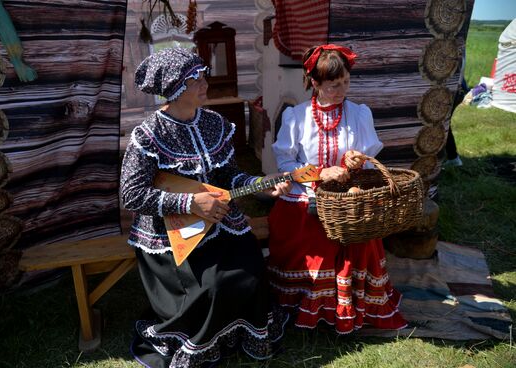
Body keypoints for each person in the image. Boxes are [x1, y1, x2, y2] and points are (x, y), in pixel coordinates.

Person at [120, 47, 291, 368]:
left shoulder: (213, 123)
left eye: (202, 76)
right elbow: (131, 195)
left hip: (218, 220)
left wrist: (260, 182)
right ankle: (198, 338)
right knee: (214, 284)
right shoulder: (148, 135)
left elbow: (227, 175)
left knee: (251, 269)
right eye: (194, 79)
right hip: (171, 236)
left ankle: (240, 334)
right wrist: (189, 202)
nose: (204, 83)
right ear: (173, 88)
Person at [267, 44, 407, 334]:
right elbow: (286, 165)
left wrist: (356, 162)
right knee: (305, 232)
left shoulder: (359, 114)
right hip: (306, 196)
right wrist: (319, 173)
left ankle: (350, 304)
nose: (342, 90)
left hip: (348, 200)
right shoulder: (297, 117)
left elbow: (370, 166)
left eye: (346, 82)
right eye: (333, 85)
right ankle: (306, 304)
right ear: (315, 83)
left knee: (357, 233)